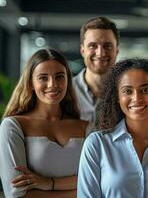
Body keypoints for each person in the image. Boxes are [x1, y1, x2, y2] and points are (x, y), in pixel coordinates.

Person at [77, 58, 148, 197]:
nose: (136, 98)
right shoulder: (97, 144)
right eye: (127, 91)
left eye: (145, 90)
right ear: (117, 97)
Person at [0, 48, 89, 198]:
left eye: (60, 76)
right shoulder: (13, 126)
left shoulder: (86, 127)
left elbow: (100, 181)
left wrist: (48, 183)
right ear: (30, 84)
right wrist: (80, 192)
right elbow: (16, 193)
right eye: (43, 78)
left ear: (68, 80)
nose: (52, 84)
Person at [73, 16, 119, 126]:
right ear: (82, 50)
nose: (100, 53)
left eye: (107, 46)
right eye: (93, 46)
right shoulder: (65, 92)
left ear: (117, 49)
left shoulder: (129, 91)